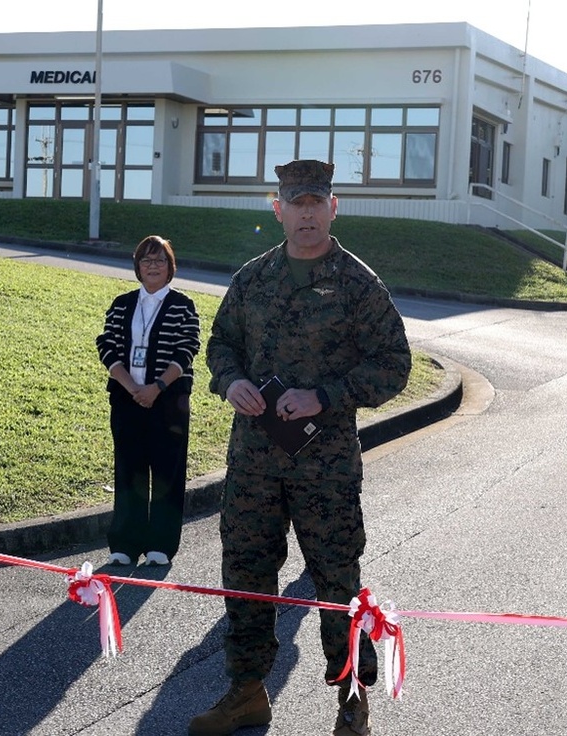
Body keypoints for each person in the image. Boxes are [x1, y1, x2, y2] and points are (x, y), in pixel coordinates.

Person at [192, 160, 412, 736]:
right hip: (254, 464)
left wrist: (325, 396)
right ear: (278, 209)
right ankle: (245, 692)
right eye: (297, 202)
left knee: (336, 579)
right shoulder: (253, 278)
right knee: (245, 574)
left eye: (317, 201)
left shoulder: (358, 283)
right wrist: (229, 381)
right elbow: (220, 343)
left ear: (333, 207)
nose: (307, 212)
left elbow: (394, 365)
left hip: (326, 466)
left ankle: (352, 697)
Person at [95, 235, 201, 567]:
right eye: (146, 260)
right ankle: (125, 543)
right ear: (137, 267)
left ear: (170, 267)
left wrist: (155, 387)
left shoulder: (183, 305)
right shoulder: (122, 303)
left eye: (160, 260)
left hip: (169, 401)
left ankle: (161, 544)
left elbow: (187, 349)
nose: (153, 266)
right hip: (127, 400)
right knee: (129, 469)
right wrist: (131, 387)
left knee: (168, 471)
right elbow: (107, 345)